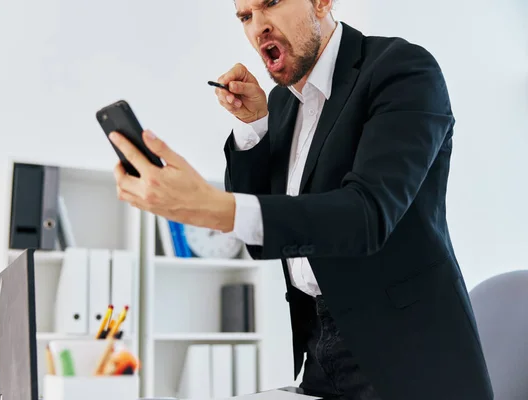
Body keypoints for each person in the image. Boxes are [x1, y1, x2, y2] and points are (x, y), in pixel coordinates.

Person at [109, 0, 494, 399]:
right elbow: (264, 234)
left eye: (270, 3)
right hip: (318, 349)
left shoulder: (403, 69)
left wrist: (212, 207)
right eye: (245, 16)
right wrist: (255, 127)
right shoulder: (282, 104)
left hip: (408, 356)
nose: (258, 26)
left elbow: (367, 215)